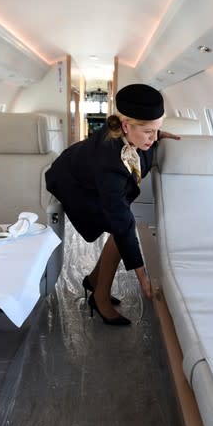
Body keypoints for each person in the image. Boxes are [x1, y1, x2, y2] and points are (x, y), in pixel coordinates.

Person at [45, 83, 179, 325]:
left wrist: (159, 134)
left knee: (121, 229)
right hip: (74, 183)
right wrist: (142, 277)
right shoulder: (108, 161)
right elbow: (122, 219)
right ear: (126, 126)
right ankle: (100, 297)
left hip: (94, 174)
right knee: (121, 227)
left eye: (157, 129)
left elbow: (147, 135)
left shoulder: (137, 136)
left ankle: (95, 281)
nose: (154, 137)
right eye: (149, 131)